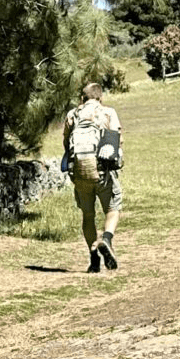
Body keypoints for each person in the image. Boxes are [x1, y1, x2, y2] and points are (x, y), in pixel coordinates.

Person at [61, 81, 124, 272]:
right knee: (113, 208)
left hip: (80, 172)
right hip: (102, 171)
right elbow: (116, 140)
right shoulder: (107, 112)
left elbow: (65, 141)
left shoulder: (73, 115)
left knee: (88, 215)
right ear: (100, 97)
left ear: (82, 98)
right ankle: (106, 239)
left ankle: (94, 258)